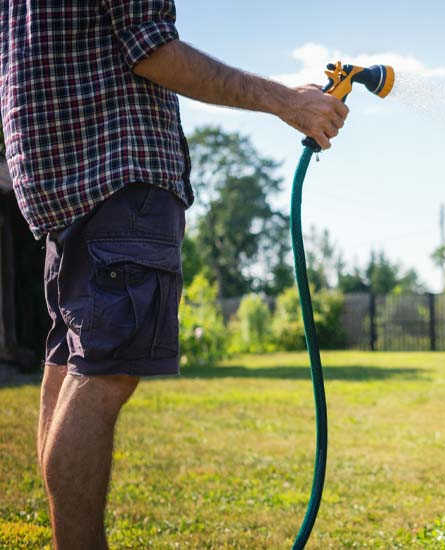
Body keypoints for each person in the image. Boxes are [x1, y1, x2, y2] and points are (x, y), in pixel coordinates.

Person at [0, 2, 348, 548]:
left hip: (56, 178)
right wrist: (286, 101)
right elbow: (150, 48)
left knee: (69, 364)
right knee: (104, 373)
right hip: (118, 167)